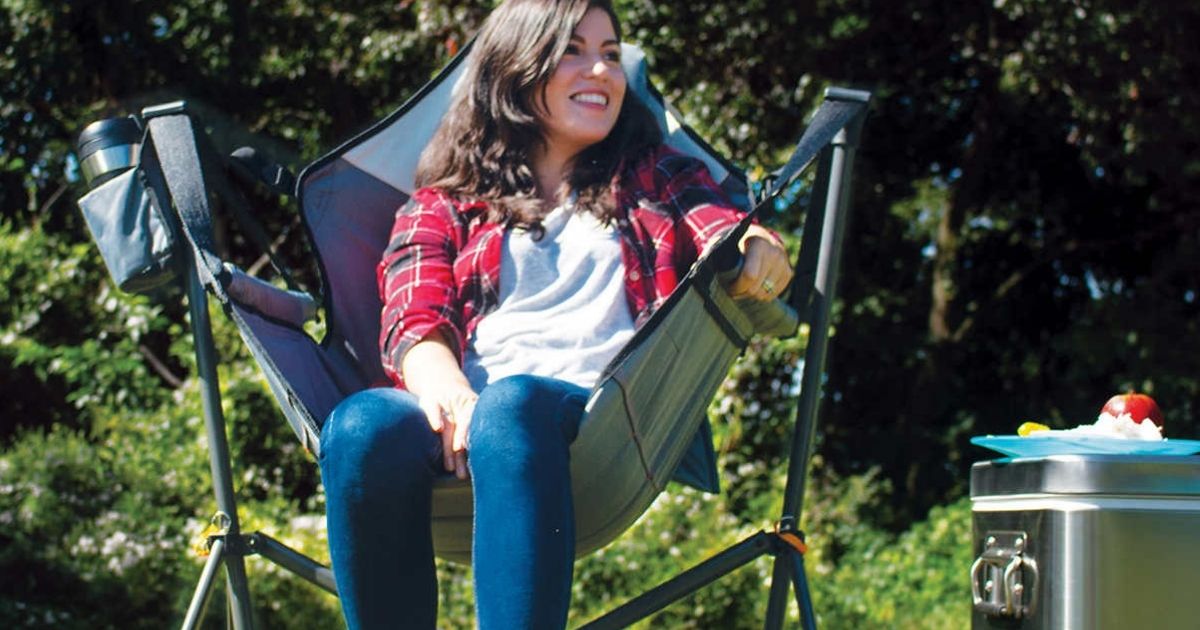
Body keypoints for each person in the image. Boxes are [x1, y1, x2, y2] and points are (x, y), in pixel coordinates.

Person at [318, 0, 793, 627]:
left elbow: (721, 230)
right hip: (466, 414)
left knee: (512, 405)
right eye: (573, 50)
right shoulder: (442, 205)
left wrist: (759, 244)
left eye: (611, 55)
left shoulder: (655, 177)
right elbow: (414, 320)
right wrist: (453, 397)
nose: (601, 71)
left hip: (599, 425)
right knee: (360, 426)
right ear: (516, 66)